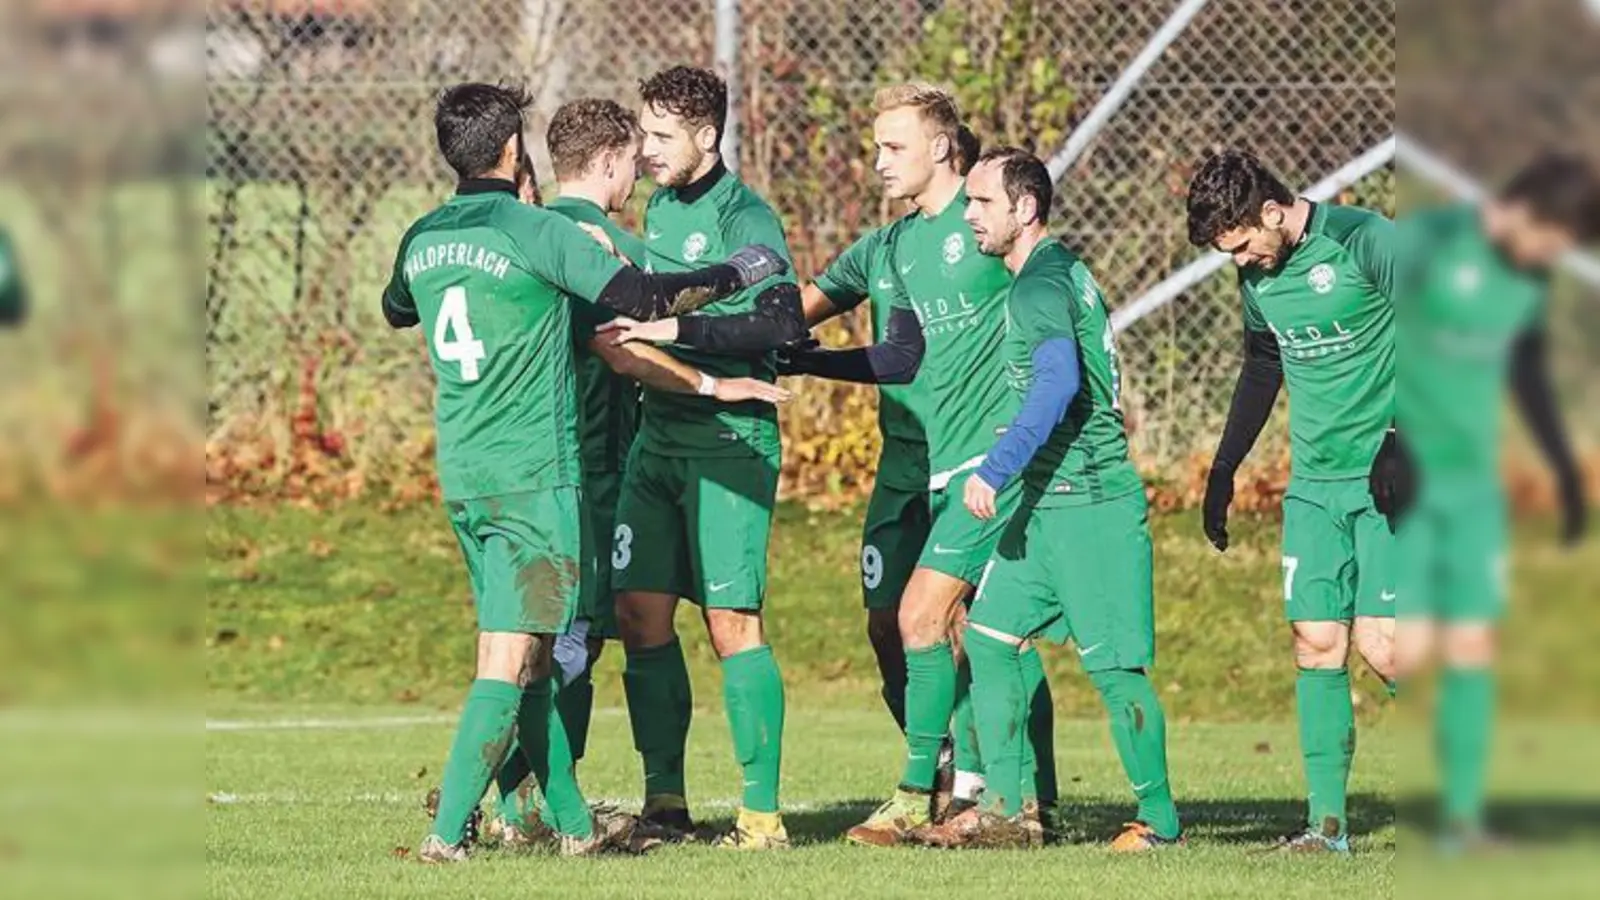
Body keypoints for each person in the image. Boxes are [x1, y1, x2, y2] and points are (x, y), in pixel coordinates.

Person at [384, 81, 786, 863]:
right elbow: (637, 297)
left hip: (463, 471)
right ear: (512, 152)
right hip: (538, 472)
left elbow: (399, 308)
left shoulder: (422, 237)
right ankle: (449, 835)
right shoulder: (534, 232)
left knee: (531, 652)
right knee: (518, 655)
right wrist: (738, 276)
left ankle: (568, 825)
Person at [1186, 148, 1396, 853]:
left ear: (1272, 212)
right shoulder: (1260, 275)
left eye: (1242, 244)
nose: (1240, 262)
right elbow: (1263, 363)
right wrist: (1224, 467)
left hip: (1395, 476)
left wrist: (1405, 436)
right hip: (1314, 486)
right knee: (1316, 642)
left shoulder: (1365, 240)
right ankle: (1326, 828)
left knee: (1387, 647)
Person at [1395, 152, 1598, 849]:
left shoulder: (1529, 280)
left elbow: (1528, 371)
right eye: (1554, 241)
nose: (1554, 257)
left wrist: (1566, 473)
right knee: (1403, 651)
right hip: (1408, 478)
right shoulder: (1429, 242)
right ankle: (1344, 812)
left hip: (1473, 487)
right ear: (1524, 212)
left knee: (1473, 644)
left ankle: (1462, 821)